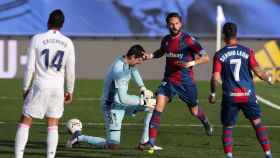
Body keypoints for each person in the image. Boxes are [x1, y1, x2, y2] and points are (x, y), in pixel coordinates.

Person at [66, 44, 159, 150]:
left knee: (153, 107)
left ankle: (144, 141)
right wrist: (142, 101)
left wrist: (142, 87)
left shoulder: (126, 60)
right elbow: (123, 98)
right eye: (139, 60)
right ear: (132, 56)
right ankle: (79, 137)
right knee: (113, 146)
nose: (140, 62)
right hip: (112, 107)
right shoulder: (118, 71)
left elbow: (133, 71)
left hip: (122, 103)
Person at [143, 12, 213, 151]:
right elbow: (161, 51)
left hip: (186, 83)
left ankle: (205, 122)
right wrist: (150, 55)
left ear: (181, 24)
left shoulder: (188, 40)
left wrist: (190, 63)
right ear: (167, 25)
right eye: (171, 24)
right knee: (158, 106)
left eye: (176, 23)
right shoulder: (166, 40)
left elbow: (206, 57)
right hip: (169, 80)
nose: (174, 26)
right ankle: (151, 141)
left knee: (194, 111)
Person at [14, 9, 75, 158]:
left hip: (40, 84)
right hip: (57, 88)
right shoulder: (68, 42)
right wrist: (70, 90)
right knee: (53, 123)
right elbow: (71, 70)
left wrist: (25, 87)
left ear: (48, 22)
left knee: (25, 120)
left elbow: (29, 67)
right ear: (62, 24)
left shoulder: (37, 39)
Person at [208, 22, 273, 158]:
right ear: (236, 34)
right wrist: (268, 79)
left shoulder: (220, 54)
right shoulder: (247, 51)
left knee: (228, 127)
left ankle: (229, 155)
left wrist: (213, 93)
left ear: (224, 35)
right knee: (257, 123)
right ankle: (268, 153)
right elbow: (259, 73)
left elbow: (215, 78)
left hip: (230, 96)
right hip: (247, 95)